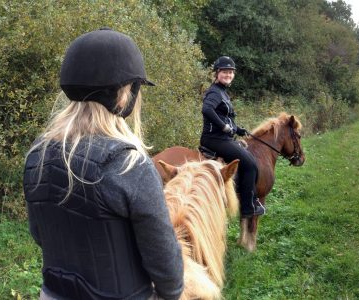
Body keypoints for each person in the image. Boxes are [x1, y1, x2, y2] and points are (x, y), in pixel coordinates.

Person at [23, 28, 183, 299]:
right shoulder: (129, 164)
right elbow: (165, 263)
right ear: (125, 95)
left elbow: (40, 234)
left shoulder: (37, 155)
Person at [200, 56, 263, 217]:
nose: (228, 75)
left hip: (224, 138)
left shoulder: (222, 92)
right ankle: (248, 208)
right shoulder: (215, 92)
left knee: (249, 159)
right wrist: (224, 126)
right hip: (214, 139)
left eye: (231, 72)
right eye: (224, 72)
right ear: (217, 73)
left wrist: (237, 129)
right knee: (250, 164)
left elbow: (225, 116)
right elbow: (207, 110)